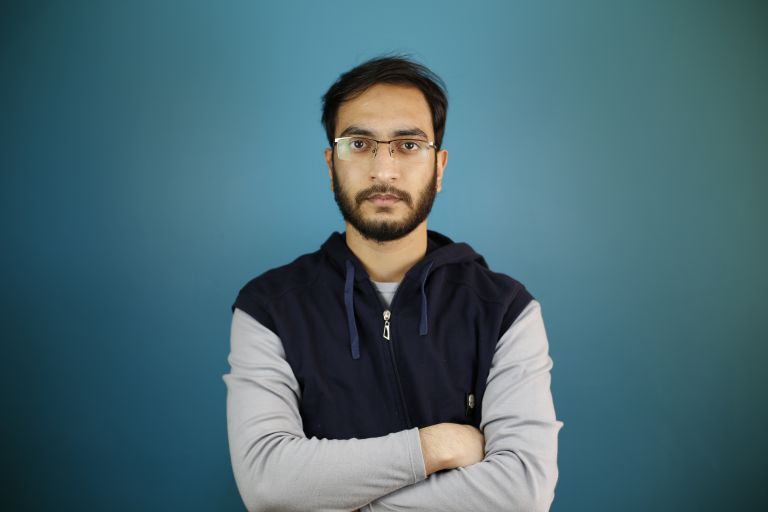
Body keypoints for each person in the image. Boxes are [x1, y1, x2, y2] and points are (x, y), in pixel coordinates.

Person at [223, 55, 563, 512]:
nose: (383, 171)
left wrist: (326, 498)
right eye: (359, 144)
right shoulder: (268, 309)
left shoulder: (505, 310)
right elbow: (267, 483)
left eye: (408, 145)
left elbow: (522, 492)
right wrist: (435, 446)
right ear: (330, 165)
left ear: (439, 167)